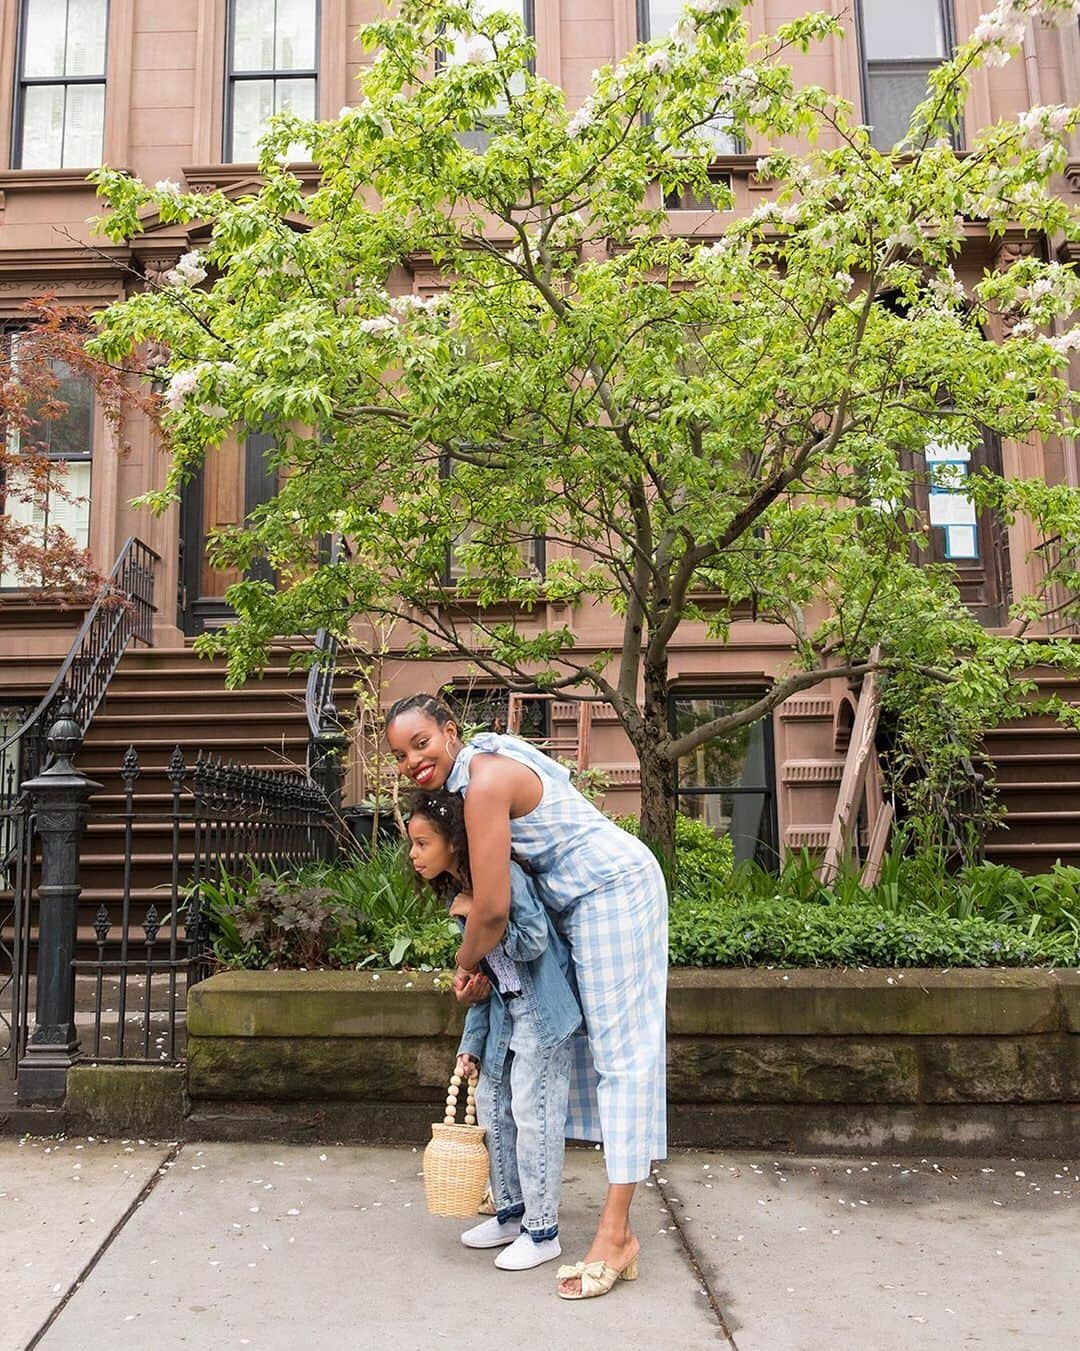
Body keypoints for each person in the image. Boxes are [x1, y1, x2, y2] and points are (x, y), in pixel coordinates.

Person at [388, 693, 668, 1301]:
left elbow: (490, 910)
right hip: (578, 902)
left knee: (623, 1061)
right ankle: (526, 1213)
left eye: (422, 743)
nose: (413, 760)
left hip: (612, 889)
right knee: (572, 1072)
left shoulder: (483, 782)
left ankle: (616, 1236)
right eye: (400, 755)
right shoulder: (470, 784)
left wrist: (462, 968)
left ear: (449, 732)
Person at [407, 790, 584, 1273]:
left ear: (452, 841)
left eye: (423, 843)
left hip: (543, 1016)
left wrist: (478, 917)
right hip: (505, 1017)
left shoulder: (501, 875)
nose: (414, 855)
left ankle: (542, 1231)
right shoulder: (463, 891)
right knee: (493, 1110)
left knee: (535, 1117)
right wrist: (470, 1046)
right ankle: (511, 1213)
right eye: (413, 846)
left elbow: (531, 942)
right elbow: (485, 982)